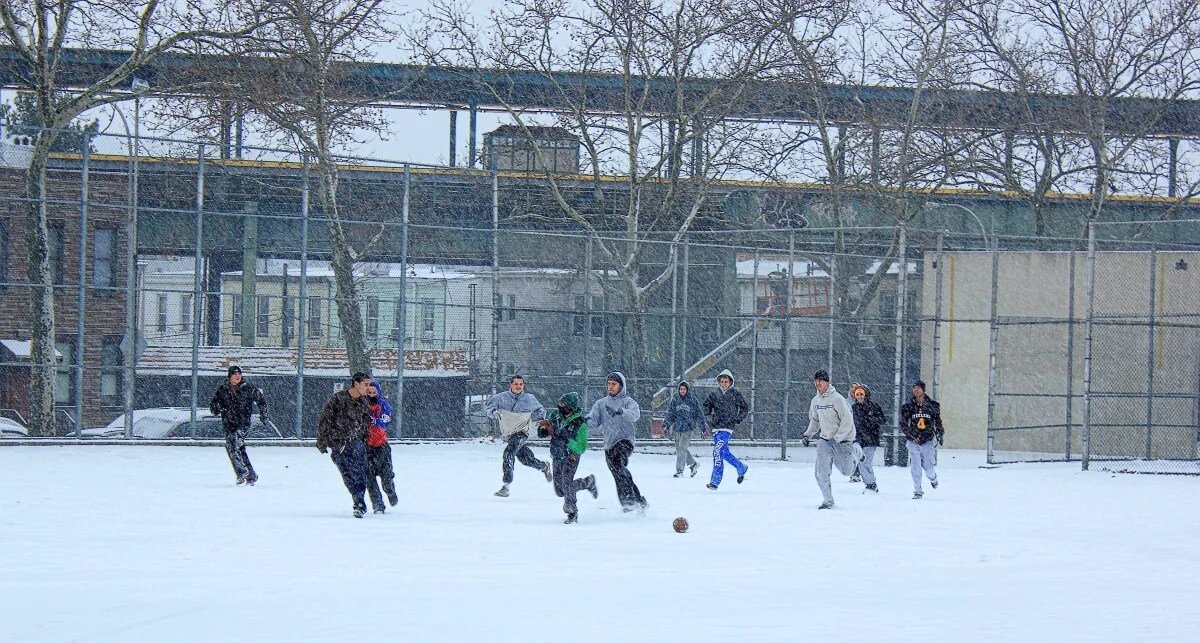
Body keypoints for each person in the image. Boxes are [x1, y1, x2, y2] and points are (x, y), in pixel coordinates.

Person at [803, 369, 873, 509]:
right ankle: (828, 501)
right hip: (825, 441)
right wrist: (808, 435)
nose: (817, 384)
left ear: (827, 383)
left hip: (843, 441)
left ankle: (856, 454)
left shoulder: (837, 399)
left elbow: (847, 421)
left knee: (847, 472)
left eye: (820, 381)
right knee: (821, 473)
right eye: (815, 381)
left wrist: (837, 438)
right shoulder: (815, 401)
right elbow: (815, 421)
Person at [587, 372, 648, 513]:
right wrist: (582, 421)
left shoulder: (628, 402)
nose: (610, 387)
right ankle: (638, 500)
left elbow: (635, 415)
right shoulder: (601, 404)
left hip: (625, 441)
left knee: (618, 464)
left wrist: (621, 411)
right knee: (617, 471)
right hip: (609, 444)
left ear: (621, 386)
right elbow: (594, 422)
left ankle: (628, 501)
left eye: (614, 384)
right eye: (608, 384)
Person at [316, 372, 374, 518]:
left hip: (356, 442)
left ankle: (359, 503)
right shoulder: (338, 399)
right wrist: (322, 441)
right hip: (338, 444)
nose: (368, 388)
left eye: (370, 384)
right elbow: (325, 419)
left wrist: (366, 441)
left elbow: (365, 424)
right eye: (366, 384)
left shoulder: (364, 402)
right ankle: (357, 497)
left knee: (359, 473)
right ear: (356, 383)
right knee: (347, 475)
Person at [537, 392, 599, 524]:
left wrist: (566, 439)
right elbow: (548, 429)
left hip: (571, 456)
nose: (559, 406)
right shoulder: (554, 416)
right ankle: (588, 482)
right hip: (557, 455)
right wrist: (543, 430)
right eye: (559, 404)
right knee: (560, 491)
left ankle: (572, 512)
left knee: (566, 482)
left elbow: (581, 447)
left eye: (563, 405)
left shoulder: (580, 423)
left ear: (570, 407)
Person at [486, 375, 551, 497]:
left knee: (508, 454)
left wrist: (541, 419)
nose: (518, 386)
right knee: (525, 459)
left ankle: (506, 486)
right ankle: (543, 466)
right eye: (516, 384)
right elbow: (489, 409)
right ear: (510, 385)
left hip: (522, 432)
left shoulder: (529, 399)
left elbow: (540, 410)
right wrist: (495, 413)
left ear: (523, 385)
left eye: (521, 384)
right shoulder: (500, 398)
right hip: (508, 433)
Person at [209, 365, 268, 486]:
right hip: (228, 423)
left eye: (239, 374)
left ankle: (241, 472)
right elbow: (213, 407)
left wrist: (264, 415)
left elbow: (261, 400)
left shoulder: (248, 388)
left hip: (242, 423)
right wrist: (219, 407)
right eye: (235, 374)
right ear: (229, 376)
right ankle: (251, 475)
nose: (237, 376)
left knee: (232, 444)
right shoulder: (223, 389)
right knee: (239, 448)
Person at [702, 369, 750, 490]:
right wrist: (708, 416)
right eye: (722, 381)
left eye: (726, 382)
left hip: (727, 428)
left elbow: (744, 408)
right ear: (719, 382)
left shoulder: (735, 394)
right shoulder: (714, 394)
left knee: (717, 451)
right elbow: (706, 406)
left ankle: (715, 481)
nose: (724, 384)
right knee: (724, 453)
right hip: (716, 427)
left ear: (730, 382)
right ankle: (741, 467)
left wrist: (737, 418)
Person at [900, 380, 944, 499]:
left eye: (918, 387)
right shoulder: (908, 406)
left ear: (923, 390)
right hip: (913, 440)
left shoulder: (932, 405)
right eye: (914, 387)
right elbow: (903, 423)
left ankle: (933, 478)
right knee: (915, 465)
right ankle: (917, 490)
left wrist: (940, 433)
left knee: (927, 465)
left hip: (927, 439)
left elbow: (937, 421)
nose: (916, 390)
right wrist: (912, 435)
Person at [365, 379, 398, 514]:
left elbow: (384, 423)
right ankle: (378, 504)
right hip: (366, 447)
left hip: (381, 446)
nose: (371, 395)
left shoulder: (384, 405)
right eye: (369, 392)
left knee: (386, 476)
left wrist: (372, 420)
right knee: (369, 477)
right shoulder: (361, 405)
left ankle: (390, 492)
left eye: (374, 392)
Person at [849, 383, 883, 493]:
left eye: (861, 394)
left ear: (866, 395)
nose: (859, 396)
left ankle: (871, 484)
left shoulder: (874, 406)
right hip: (858, 439)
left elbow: (882, 420)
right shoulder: (853, 408)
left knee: (865, 462)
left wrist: (870, 420)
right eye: (857, 394)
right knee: (861, 461)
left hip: (870, 439)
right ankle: (869, 483)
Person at [663, 381, 702, 478]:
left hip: (687, 428)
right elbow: (670, 414)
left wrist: (702, 426)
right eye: (681, 389)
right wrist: (666, 424)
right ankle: (693, 464)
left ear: (687, 390)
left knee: (682, 450)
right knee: (680, 450)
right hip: (677, 428)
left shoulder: (692, 400)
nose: (682, 391)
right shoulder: (675, 400)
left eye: (684, 389)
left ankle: (679, 471)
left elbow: (699, 413)